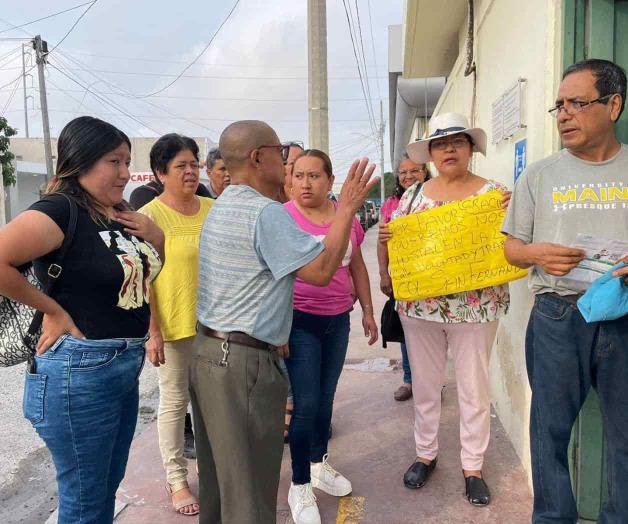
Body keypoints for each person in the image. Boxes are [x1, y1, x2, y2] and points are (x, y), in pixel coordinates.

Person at [191, 120, 378, 524]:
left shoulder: (225, 202)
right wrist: (346, 207)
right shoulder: (265, 214)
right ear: (259, 157)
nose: (288, 159)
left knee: (222, 485)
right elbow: (324, 268)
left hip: (211, 353)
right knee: (250, 490)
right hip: (241, 363)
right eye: (282, 151)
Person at [0, 116, 164, 523]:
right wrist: (53, 310)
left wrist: (155, 236)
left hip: (121, 367)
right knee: (85, 503)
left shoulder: (114, 213)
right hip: (80, 371)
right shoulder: (60, 209)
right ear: (82, 161)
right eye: (115, 161)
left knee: (104, 489)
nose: (125, 173)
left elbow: (145, 277)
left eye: (127, 161)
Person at [503, 59, 628, 523]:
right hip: (558, 316)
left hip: (623, 315)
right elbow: (511, 250)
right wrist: (537, 253)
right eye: (559, 105)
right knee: (549, 434)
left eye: (577, 103)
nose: (563, 114)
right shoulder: (539, 175)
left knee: (626, 439)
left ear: (613, 105)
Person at [379, 112, 512, 506]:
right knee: (425, 384)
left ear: (470, 148)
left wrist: (512, 212)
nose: (448, 149)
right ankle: (426, 453)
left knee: (474, 388)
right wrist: (388, 240)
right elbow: (395, 242)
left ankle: (473, 466)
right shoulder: (412, 196)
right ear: (431, 154)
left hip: (477, 308)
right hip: (421, 308)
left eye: (457, 141)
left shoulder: (495, 195)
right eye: (440, 144)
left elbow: (515, 237)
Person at [284, 149, 378, 524]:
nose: (305, 183)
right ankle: (300, 484)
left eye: (314, 176)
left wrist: (368, 310)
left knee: (325, 399)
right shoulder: (284, 218)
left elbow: (356, 265)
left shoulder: (346, 216)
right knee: (305, 404)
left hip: (337, 320)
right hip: (299, 321)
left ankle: (319, 463)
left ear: (330, 180)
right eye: (299, 175)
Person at [139, 134, 213, 516]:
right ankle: (177, 480)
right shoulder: (150, 217)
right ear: (159, 172)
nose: (190, 171)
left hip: (216, 326)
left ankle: (213, 473)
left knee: (212, 404)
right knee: (174, 403)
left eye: (193, 163)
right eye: (181, 165)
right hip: (172, 327)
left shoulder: (212, 209)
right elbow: (144, 278)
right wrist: (153, 332)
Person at [378, 154, 430, 402]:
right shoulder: (391, 204)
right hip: (403, 279)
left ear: (425, 171)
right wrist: (383, 274)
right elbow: (382, 242)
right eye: (403, 172)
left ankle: (432, 381)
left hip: (436, 277)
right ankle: (410, 381)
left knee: (434, 332)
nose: (408, 176)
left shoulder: (437, 197)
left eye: (415, 171)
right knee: (408, 331)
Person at [130, 156, 211, 209]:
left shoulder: (200, 190)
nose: (190, 171)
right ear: (161, 172)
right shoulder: (142, 195)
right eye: (181, 166)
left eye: (194, 165)